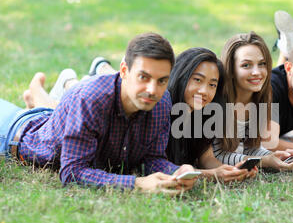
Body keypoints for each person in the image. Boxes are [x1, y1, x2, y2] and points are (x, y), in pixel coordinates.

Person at [0, 32, 197, 194]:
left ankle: (38, 93)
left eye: (162, 80)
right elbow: (72, 172)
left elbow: (151, 158)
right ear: (124, 71)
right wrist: (137, 184)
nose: (153, 90)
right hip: (13, 131)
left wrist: (176, 171)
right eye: (143, 77)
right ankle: (39, 92)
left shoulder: (162, 103)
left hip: (52, 120)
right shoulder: (91, 100)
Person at [213, 31, 293, 171]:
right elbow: (216, 156)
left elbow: (249, 148)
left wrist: (274, 156)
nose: (257, 72)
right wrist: (265, 161)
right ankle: (284, 49)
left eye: (262, 64)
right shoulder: (217, 101)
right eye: (246, 65)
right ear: (231, 69)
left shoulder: (263, 97)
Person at [166, 47, 257, 182]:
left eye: (212, 85)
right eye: (197, 80)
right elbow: (162, 167)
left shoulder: (203, 115)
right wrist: (211, 174)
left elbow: (206, 158)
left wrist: (230, 171)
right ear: (180, 76)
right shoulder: (163, 109)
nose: (204, 91)